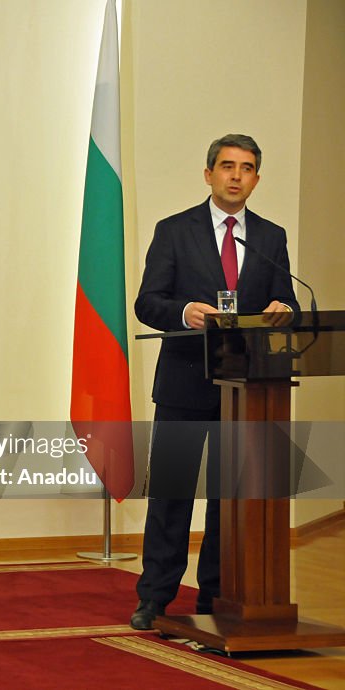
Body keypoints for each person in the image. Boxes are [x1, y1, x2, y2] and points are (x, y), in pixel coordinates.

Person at [130, 134, 299, 630]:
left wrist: (283, 310)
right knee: (172, 499)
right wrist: (183, 311)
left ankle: (214, 597)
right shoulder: (174, 230)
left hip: (246, 390)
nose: (235, 176)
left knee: (229, 502)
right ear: (208, 174)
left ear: (256, 180)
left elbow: (286, 299)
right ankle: (155, 598)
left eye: (246, 168)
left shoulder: (270, 237)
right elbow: (148, 302)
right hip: (185, 385)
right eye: (226, 166)